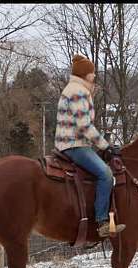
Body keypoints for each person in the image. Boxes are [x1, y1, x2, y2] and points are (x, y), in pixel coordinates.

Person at [54, 54, 125, 238]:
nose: (94, 76)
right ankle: (101, 221)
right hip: (74, 145)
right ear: (85, 74)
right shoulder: (78, 91)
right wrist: (105, 146)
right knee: (106, 174)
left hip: (71, 142)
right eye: (92, 73)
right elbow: (84, 125)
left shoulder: (74, 89)